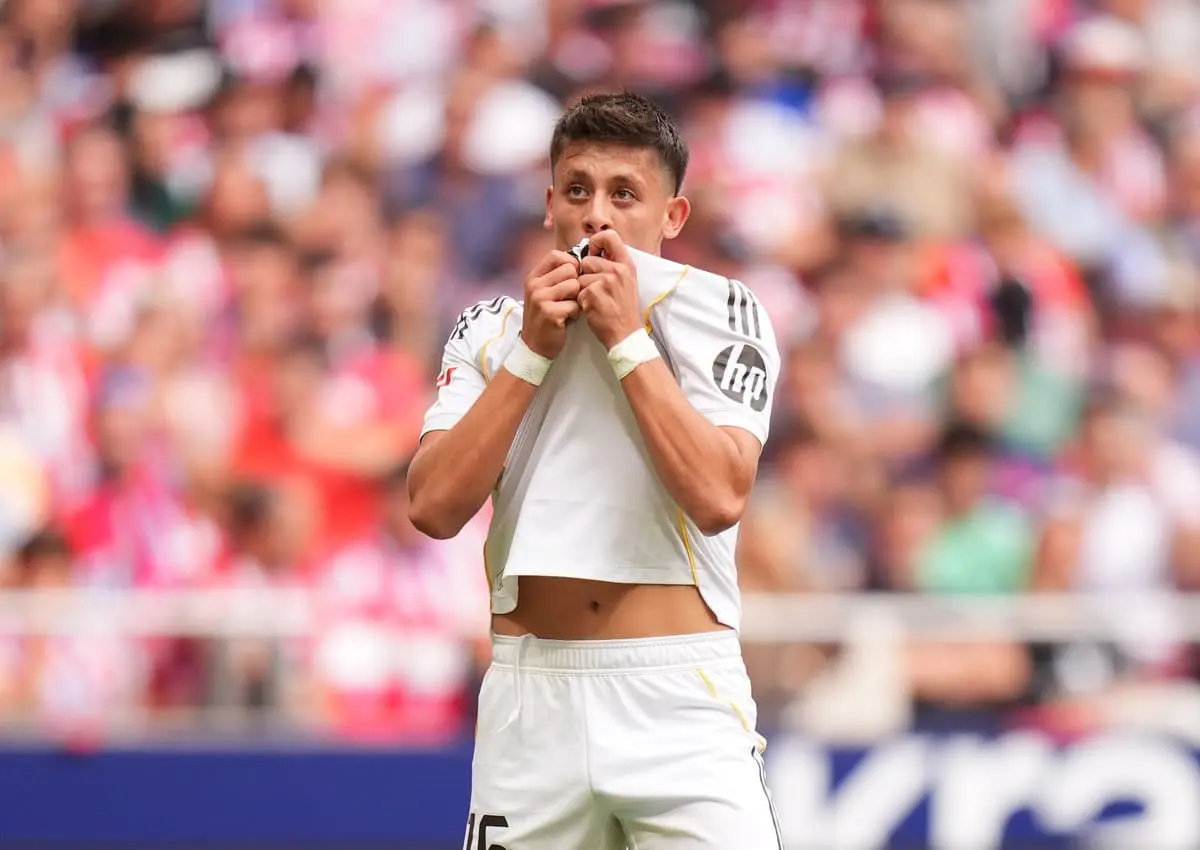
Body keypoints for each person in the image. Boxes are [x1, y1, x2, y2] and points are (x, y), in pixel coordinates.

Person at [407, 91, 782, 849]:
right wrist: (532, 353)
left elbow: (718, 493)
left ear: (672, 217)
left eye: (624, 194)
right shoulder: (492, 327)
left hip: (680, 700)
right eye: (578, 190)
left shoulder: (724, 311)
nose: (597, 216)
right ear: (550, 204)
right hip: (530, 696)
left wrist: (627, 338)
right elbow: (434, 506)